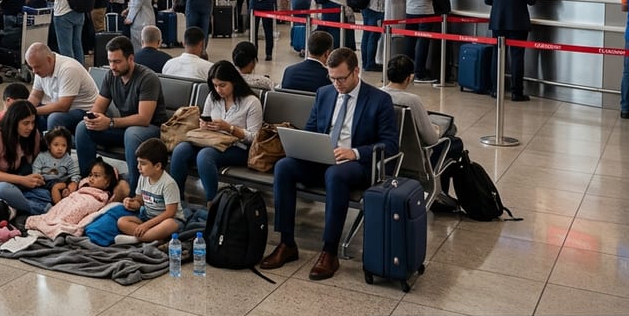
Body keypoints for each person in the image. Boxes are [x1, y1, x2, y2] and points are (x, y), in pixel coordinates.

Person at [259, 48, 399, 280]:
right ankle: (287, 243)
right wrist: (306, 145)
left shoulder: (379, 100)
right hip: (324, 157)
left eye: (341, 78)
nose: (337, 84)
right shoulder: (324, 93)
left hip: (357, 164)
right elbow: (313, 129)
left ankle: (330, 251)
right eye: (332, 78)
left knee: (336, 175)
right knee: (284, 167)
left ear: (356, 71)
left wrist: (354, 152)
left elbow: (390, 145)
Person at [73, 35, 167, 181]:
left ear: (130, 59)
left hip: (151, 128)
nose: (112, 66)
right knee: (83, 128)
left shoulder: (148, 78)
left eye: (117, 62)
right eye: (110, 61)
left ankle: (134, 190)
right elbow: (98, 106)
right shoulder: (111, 76)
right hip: (125, 127)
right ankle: (89, 180)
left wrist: (110, 122)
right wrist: (93, 118)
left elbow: (144, 118)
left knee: (132, 133)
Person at [169, 61, 263, 205]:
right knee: (181, 149)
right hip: (211, 141)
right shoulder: (213, 97)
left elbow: (255, 138)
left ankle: (213, 204)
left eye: (222, 85)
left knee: (205, 156)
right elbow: (206, 119)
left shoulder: (251, 102)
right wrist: (204, 125)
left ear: (234, 82)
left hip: (238, 148)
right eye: (215, 85)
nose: (218, 89)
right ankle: (176, 200)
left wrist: (230, 128)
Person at [383, 54, 461, 200]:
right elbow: (431, 139)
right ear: (409, 77)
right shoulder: (412, 101)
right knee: (454, 141)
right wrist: (437, 130)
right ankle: (439, 192)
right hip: (414, 158)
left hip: (387, 156)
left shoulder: (378, 95)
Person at [0, 100, 50, 215]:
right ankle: (38, 209)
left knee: (45, 194)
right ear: (14, 122)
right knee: (5, 190)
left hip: (16, 177)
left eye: (33, 122)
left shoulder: (33, 135)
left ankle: (19, 205)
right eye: (25, 123)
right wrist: (23, 180)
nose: (30, 127)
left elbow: (35, 163)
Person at [483, 0, 536, 102]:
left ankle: (495, 90)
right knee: (517, 57)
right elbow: (531, 0)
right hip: (518, 23)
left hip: (498, 22)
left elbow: (487, 0)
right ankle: (516, 92)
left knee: (497, 56)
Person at [114, 139, 184, 244]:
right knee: (121, 222)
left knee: (170, 224)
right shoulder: (143, 177)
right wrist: (132, 202)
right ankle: (152, 237)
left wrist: (146, 225)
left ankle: (137, 238)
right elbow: (140, 199)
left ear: (157, 166)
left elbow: (170, 213)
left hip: (167, 220)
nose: (138, 167)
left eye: (143, 163)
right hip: (147, 217)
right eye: (138, 162)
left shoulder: (168, 183)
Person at [25, 42, 99, 131]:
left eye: (37, 67)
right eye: (31, 67)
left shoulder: (69, 69)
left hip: (84, 110)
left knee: (54, 118)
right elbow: (35, 96)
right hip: (63, 106)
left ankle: (57, 143)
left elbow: (63, 106)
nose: (34, 71)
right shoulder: (40, 66)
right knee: (26, 114)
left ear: (49, 60)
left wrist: (31, 111)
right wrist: (25, 108)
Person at [401, 0, 448, 83]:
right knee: (423, 42)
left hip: (410, 10)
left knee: (409, 42)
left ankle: (405, 71)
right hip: (424, 11)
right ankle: (420, 72)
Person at [32, 127, 81, 204]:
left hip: (61, 182)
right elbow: (36, 168)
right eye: (56, 145)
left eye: (63, 145)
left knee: (62, 188)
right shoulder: (42, 156)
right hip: (44, 182)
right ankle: (56, 203)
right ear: (49, 145)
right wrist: (38, 178)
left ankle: (61, 200)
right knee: (50, 188)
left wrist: (74, 182)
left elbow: (74, 173)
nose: (60, 148)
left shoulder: (67, 158)